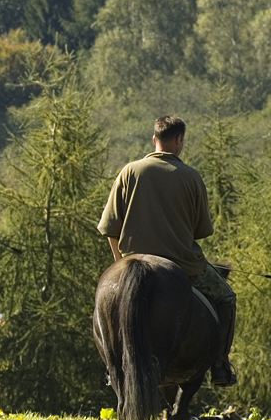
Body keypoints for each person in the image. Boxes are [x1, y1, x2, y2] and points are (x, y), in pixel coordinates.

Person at [96, 116, 237, 386]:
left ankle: (111, 366)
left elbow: (109, 229)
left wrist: (120, 265)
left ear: (154, 140)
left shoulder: (129, 171)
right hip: (184, 265)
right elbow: (201, 231)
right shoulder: (191, 177)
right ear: (179, 140)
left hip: (130, 263)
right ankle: (220, 365)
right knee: (227, 297)